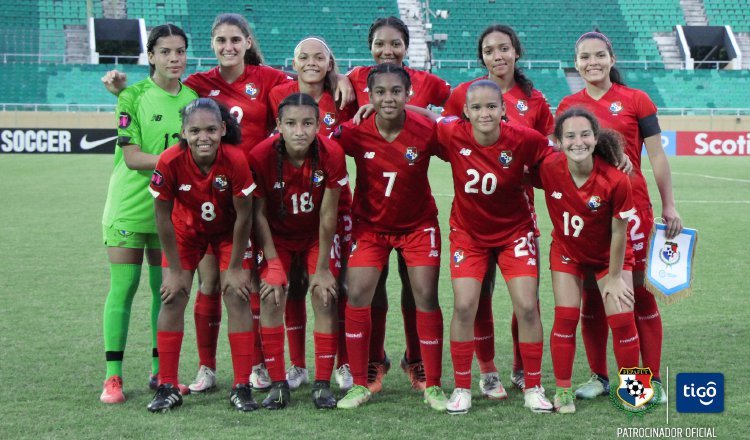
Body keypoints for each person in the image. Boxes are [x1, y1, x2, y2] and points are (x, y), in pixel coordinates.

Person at [556, 31, 682, 403]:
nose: (592, 62)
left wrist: (669, 204)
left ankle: (649, 380)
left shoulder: (636, 99)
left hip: (632, 210)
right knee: (593, 299)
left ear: (612, 58)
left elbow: (657, 156)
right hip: (587, 215)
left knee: (637, 294)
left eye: (599, 55)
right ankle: (599, 376)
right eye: (584, 57)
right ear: (575, 63)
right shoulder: (568, 103)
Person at [441, 24, 555, 395]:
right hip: (473, 216)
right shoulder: (463, 93)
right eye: (489, 50)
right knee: (478, 295)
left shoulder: (534, 100)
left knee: (527, 298)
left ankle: (524, 370)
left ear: (516, 52)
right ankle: (487, 368)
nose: (497, 56)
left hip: (518, 214)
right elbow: (440, 130)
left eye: (504, 48)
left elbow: (551, 156)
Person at [347, 16, 452, 393]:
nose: (387, 50)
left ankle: (418, 361)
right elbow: (331, 138)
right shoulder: (355, 79)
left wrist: (424, 113)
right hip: (370, 218)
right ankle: (372, 364)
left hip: (415, 217)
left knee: (418, 289)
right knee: (366, 288)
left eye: (395, 44)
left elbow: (457, 117)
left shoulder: (428, 85)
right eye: (379, 43)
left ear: (407, 47)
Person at [99, 23, 197, 404]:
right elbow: (134, 157)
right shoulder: (132, 95)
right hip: (128, 209)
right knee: (122, 289)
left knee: (166, 293)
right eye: (166, 52)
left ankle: (162, 373)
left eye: (180, 51)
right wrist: (182, 159)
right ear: (151, 56)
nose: (174, 58)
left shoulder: (193, 98)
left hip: (170, 213)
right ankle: (113, 378)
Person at [146, 98, 257, 413]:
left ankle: (242, 385)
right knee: (173, 294)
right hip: (185, 234)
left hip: (227, 234)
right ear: (183, 132)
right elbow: (162, 218)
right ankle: (167, 386)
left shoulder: (235, 160)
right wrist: (178, 269)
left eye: (210, 129)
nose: (203, 137)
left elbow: (244, 217)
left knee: (236, 294)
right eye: (194, 130)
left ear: (223, 129)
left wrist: (235, 267)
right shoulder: (169, 161)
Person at [536, 108, 641, 414]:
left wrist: (613, 277)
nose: (577, 142)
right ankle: (564, 391)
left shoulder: (616, 180)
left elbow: (620, 233)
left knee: (622, 318)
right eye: (569, 136)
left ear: (596, 139)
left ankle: (633, 391)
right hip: (568, 252)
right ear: (558, 141)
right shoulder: (548, 166)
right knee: (566, 317)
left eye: (584, 135)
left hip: (611, 257)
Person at [248, 93, 348, 409]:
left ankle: (321, 383)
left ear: (319, 125)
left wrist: (320, 269)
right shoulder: (261, 155)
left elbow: (328, 214)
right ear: (278, 125)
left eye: (307, 123)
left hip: (314, 235)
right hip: (276, 237)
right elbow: (258, 214)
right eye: (290, 123)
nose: (299, 131)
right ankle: (278, 384)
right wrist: (273, 262)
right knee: (271, 294)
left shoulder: (332, 152)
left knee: (324, 294)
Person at [268, 37, 356, 392]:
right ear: (293, 61)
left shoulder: (343, 96)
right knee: (293, 288)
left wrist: (344, 79)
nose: (311, 62)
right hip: (289, 205)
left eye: (319, 57)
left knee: (336, 287)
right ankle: (298, 364)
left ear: (330, 61)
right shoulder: (277, 94)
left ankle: (344, 363)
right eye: (303, 56)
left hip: (335, 202)